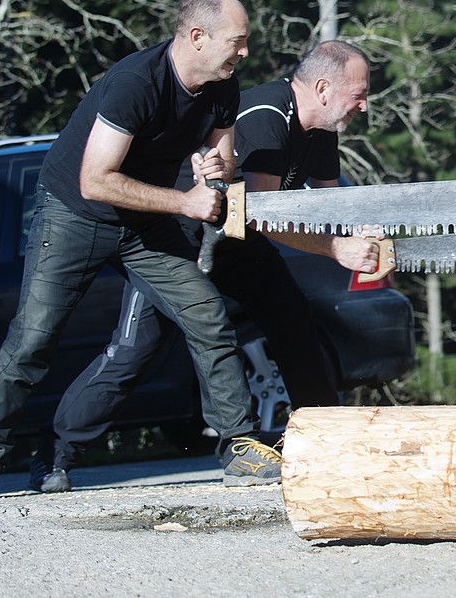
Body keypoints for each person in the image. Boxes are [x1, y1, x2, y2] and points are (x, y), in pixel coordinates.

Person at [0, 0, 281, 499]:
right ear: (197, 37)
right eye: (237, 42)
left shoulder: (222, 85)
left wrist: (215, 171)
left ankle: (240, 444)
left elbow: (221, 159)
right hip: (74, 213)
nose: (244, 53)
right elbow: (95, 181)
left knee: (206, 315)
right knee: (34, 339)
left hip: (144, 222)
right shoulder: (135, 82)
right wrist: (184, 203)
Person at [28, 40, 383, 493]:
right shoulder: (268, 115)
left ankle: (331, 441)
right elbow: (261, 213)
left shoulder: (322, 130)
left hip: (235, 240)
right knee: (134, 352)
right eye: (359, 93)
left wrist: (363, 229)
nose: (364, 104)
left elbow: (329, 201)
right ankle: (54, 452)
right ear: (323, 87)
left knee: (294, 321)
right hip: (179, 239)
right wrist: (336, 248)